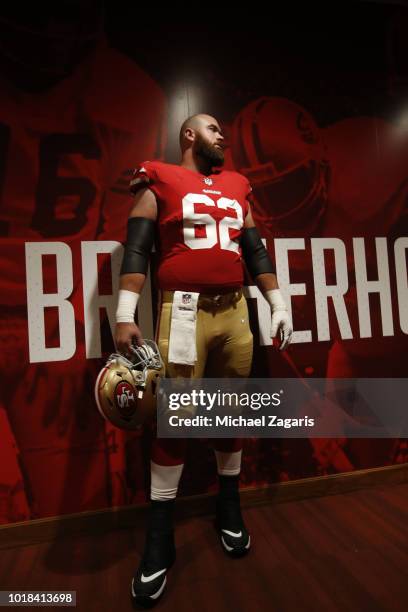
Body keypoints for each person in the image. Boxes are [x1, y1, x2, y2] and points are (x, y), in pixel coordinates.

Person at [114, 113, 293, 606]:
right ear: (189, 135)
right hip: (184, 309)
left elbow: (254, 249)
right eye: (214, 129)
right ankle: (159, 538)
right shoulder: (160, 178)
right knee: (177, 421)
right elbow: (137, 248)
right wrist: (126, 313)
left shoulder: (238, 184)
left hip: (235, 311)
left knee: (229, 412)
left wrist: (277, 303)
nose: (224, 136)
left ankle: (228, 508)